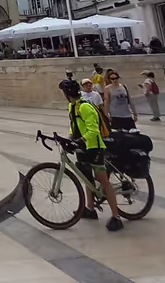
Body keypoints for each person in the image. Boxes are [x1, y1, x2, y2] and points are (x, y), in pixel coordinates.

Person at [61, 76, 124, 232]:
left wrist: (80, 140)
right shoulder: (72, 106)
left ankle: (116, 216)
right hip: (82, 146)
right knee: (87, 176)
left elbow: (93, 130)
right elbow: (73, 125)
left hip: (94, 147)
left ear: (68, 93)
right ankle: (89, 209)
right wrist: (69, 139)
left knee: (103, 180)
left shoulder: (85, 107)